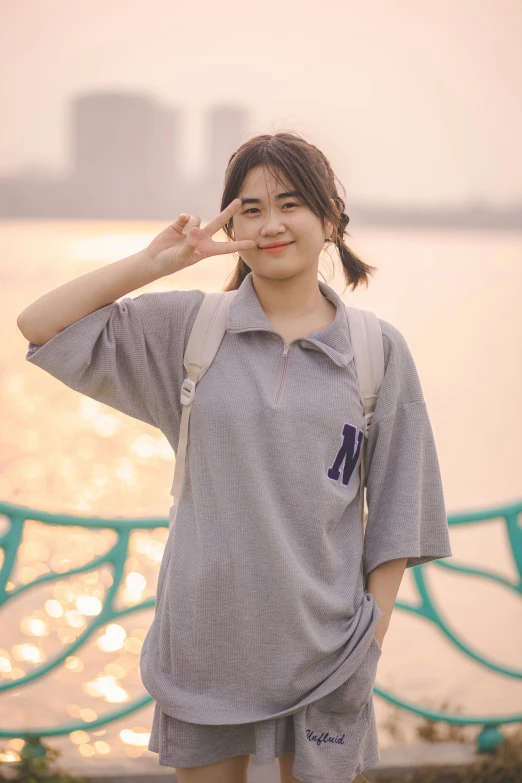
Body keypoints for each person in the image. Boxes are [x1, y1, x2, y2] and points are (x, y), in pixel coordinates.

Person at [18, 131, 452, 783]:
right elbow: (39, 325)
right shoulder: (190, 331)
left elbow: (398, 518)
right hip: (205, 648)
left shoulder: (376, 350)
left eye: (290, 202)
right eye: (250, 208)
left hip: (327, 655)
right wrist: (154, 263)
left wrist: (368, 645)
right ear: (230, 223)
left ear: (329, 218)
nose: (271, 223)